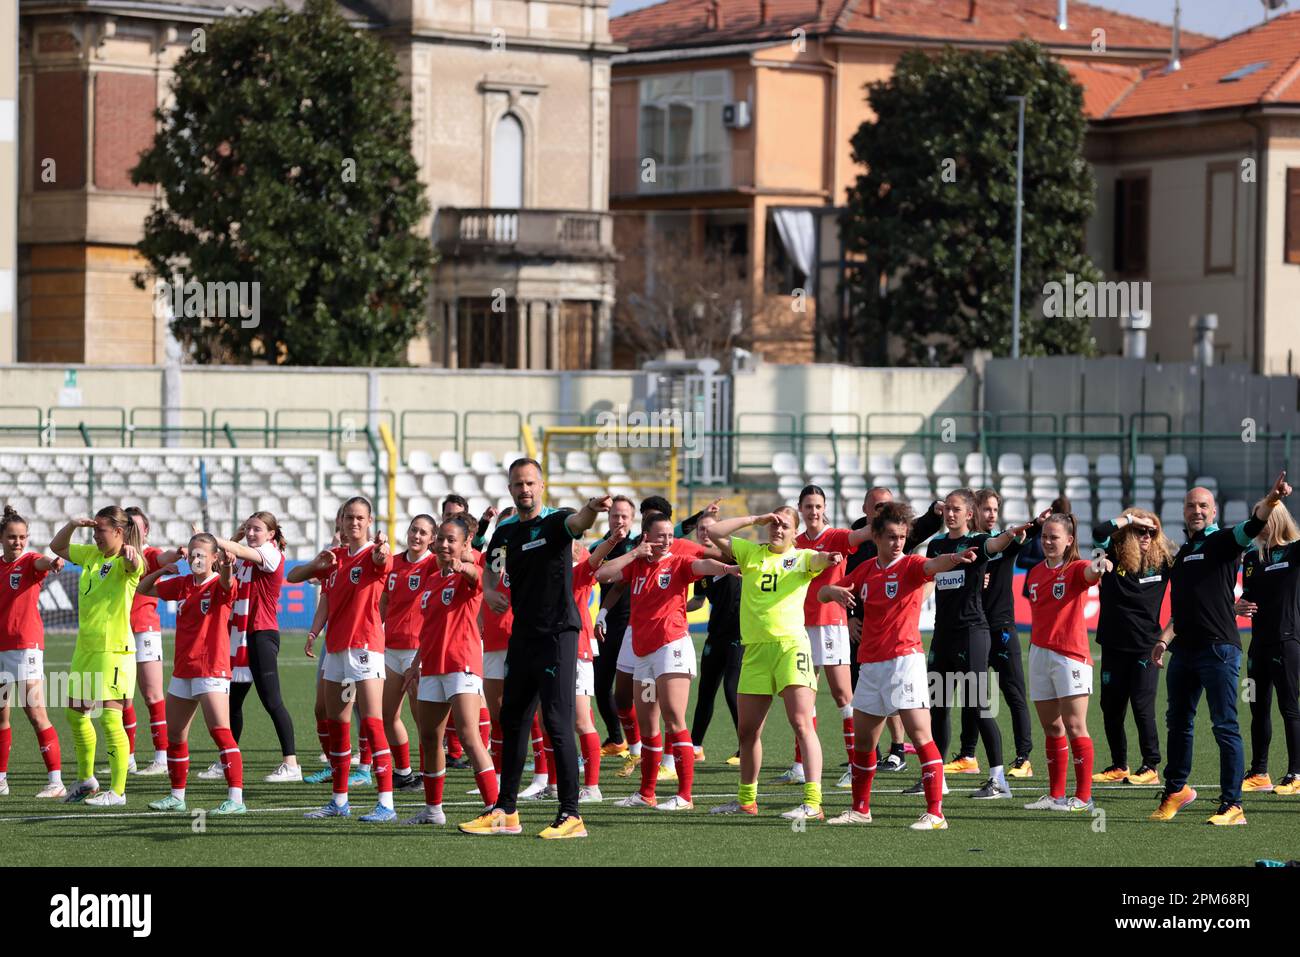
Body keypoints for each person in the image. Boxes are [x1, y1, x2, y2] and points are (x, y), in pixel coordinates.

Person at [459, 460, 609, 839]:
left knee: (557, 722)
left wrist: (592, 506)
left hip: (559, 634)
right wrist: (491, 590)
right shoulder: (506, 530)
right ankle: (506, 811)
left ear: (541, 485)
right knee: (511, 721)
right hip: (522, 636)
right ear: (510, 488)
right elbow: (492, 568)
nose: (523, 489)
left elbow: (579, 523)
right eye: (517, 484)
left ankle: (572, 815)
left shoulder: (556, 521)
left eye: (529, 483)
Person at [819, 501, 977, 829]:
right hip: (872, 665)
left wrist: (955, 558)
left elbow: (933, 565)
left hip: (905, 662)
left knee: (920, 735)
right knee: (864, 743)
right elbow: (821, 593)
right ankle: (861, 809)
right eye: (891, 536)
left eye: (902, 536)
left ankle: (936, 814)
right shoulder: (864, 571)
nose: (898, 542)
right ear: (876, 536)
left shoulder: (910, 565)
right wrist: (832, 590)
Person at [1150, 471, 1290, 826]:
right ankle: (1176, 790)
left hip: (1219, 651)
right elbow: (1183, 610)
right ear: (1183, 511)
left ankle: (1233, 805)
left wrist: (1271, 501)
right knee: (1178, 724)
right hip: (1184, 651)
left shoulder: (1224, 542)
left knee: (1225, 726)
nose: (1196, 511)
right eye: (1190, 505)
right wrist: (1165, 639)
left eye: (1203, 506)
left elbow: (1254, 522)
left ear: (1213, 513)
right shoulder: (1183, 553)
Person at [704, 509, 842, 821]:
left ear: (796, 532)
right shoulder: (751, 552)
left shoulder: (803, 557)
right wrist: (754, 519)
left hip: (791, 648)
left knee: (802, 723)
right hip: (755, 652)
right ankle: (746, 800)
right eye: (775, 524)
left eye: (785, 526)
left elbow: (819, 559)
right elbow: (714, 532)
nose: (778, 529)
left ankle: (813, 802)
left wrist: (829, 557)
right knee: (747, 731)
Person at [596, 513, 736, 811]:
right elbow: (602, 575)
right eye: (660, 536)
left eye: (669, 536)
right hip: (643, 652)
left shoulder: (678, 561)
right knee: (648, 724)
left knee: (673, 719)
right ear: (646, 536)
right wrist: (634, 552)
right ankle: (647, 793)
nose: (667, 541)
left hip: (671, 648)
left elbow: (702, 565)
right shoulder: (636, 563)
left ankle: (684, 796)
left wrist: (727, 567)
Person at [919, 489, 1033, 801]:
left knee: (977, 706)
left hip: (972, 633)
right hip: (942, 634)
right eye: (948, 509)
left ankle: (999, 780)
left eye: (957, 509)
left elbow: (995, 544)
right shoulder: (937, 545)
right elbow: (929, 578)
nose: (950, 514)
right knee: (938, 706)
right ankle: (936, 774)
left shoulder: (979, 541)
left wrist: (1010, 534)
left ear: (970, 514)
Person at [287, 496, 396, 822]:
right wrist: (313, 631)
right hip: (335, 649)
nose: (354, 522)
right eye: (349, 517)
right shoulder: (333, 558)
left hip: (364, 647)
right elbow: (297, 579)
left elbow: (383, 560)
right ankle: (339, 800)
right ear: (341, 522)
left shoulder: (374, 555)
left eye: (360, 517)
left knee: (374, 723)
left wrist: (382, 550)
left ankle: (386, 803)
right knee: (338, 724)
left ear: (369, 520)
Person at [400, 516, 497, 825]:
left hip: (461, 664)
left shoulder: (467, 574)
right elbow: (429, 628)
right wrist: (415, 664)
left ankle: (497, 811)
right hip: (431, 666)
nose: (443, 544)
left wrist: (463, 566)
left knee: (470, 737)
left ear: (465, 544)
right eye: (440, 538)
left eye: (451, 540)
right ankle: (433, 811)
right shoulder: (431, 579)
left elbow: (477, 577)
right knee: (429, 738)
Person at [774, 485, 871, 790]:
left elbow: (863, 535)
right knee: (804, 697)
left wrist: (882, 516)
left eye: (817, 506)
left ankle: (855, 766)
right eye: (808, 506)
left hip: (830, 626)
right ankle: (800, 765)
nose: (813, 511)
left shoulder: (838, 536)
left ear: (824, 508)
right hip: (799, 627)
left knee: (844, 696)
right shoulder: (796, 542)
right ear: (800, 509)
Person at [139, 534, 244, 814]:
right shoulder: (183, 584)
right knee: (175, 734)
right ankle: (177, 796)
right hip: (183, 670)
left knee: (220, 732)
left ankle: (236, 799)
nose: (196, 560)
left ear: (214, 558)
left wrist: (228, 567)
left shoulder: (220, 583)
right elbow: (143, 589)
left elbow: (228, 583)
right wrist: (162, 570)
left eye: (202, 555)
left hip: (211, 669)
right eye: (193, 555)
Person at [50, 507, 145, 806]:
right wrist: (72, 524)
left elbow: (134, 566)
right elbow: (57, 547)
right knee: (74, 714)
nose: (95, 536)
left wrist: (131, 556)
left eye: (100, 530)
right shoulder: (91, 555)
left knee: (110, 719)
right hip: (86, 649)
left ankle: (117, 792)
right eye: (94, 530)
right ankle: (86, 780)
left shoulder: (126, 560)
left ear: (118, 531)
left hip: (113, 651)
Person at [847, 487, 943, 772]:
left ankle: (899, 751)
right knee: (866, 711)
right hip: (866, 637)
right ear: (866, 510)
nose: (898, 541)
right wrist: (849, 613)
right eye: (878, 506)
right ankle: (861, 801)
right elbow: (843, 584)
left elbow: (927, 546)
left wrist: (935, 514)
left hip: (902, 650)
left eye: (888, 505)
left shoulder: (905, 551)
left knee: (919, 729)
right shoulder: (858, 541)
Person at [198, 513, 298, 783]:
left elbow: (238, 551)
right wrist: (233, 536)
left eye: (258, 529)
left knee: (272, 700)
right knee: (232, 702)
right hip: (242, 636)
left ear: (271, 535)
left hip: (261, 633)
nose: (252, 533)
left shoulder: (270, 553)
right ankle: (227, 758)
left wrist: (211, 538)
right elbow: (221, 562)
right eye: (249, 528)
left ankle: (291, 764)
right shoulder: (247, 555)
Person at [950, 492, 1043, 779]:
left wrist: (1038, 523)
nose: (991, 514)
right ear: (972, 511)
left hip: (1001, 628)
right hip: (973, 629)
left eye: (995, 509)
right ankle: (968, 754)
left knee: (1013, 694)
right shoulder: (965, 546)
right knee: (972, 693)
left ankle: (1023, 758)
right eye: (985, 509)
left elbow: (1026, 533)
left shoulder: (1005, 542)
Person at [1020, 514, 1110, 812]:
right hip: (1039, 653)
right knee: (1051, 727)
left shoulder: (1075, 569)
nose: (1047, 541)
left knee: (1074, 725)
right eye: (1044, 536)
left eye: (1054, 537)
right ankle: (1055, 795)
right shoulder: (1033, 573)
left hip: (1070, 656)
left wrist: (1101, 565)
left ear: (1069, 540)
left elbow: (1092, 573)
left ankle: (1084, 797)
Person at [1090, 508, 1173, 786]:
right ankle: (1119, 765)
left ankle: (1150, 765)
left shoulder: (1163, 562)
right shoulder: (1110, 555)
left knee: (1142, 706)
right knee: (1110, 707)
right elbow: (1099, 532)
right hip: (1113, 645)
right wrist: (1128, 520)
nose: (1147, 536)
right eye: (1141, 530)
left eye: (1152, 531)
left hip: (1145, 647)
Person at [0, 505, 66, 798]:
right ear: (2, 538)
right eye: (13, 537)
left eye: (22, 537)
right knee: (2, 715)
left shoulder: (29, 562)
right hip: (1, 648)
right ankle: (1, 779)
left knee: (35, 712)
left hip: (26, 647)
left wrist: (51, 562)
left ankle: (56, 780)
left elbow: (41, 562)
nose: (18, 542)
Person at [1236, 502, 1300, 795]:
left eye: (1263, 517)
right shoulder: (1251, 557)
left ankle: (1296, 773)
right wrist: (1238, 606)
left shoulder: (1296, 551)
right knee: (1257, 708)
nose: (1258, 522)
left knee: (1289, 709)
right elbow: (1247, 594)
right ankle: (1260, 772)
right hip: (1258, 644)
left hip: (1287, 641)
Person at [120, 507, 182, 777]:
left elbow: (164, 556)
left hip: (144, 629)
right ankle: (128, 757)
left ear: (146, 530)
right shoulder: (116, 554)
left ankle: (161, 757)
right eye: (128, 526)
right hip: (118, 631)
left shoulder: (149, 553)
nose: (133, 531)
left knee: (152, 695)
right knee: (122, 697)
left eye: (137, 526)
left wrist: (178, 553)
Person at [380, 514, 437, 792]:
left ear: (432, 539)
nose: (416, 536)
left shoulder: (433, 565)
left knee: (423, 721)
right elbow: (385, 601)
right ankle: (403, 771)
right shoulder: (394, 563)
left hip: (418, 652)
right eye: (414, 530)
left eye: (423, 533)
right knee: (387, 714)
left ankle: (429, 775)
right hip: (391, 649)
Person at [688, 515, 743, 765]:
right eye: (701, 529)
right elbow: (698, 601)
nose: (705, 532)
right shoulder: (701, 565)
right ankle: (695, 746)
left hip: (738, 634)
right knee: (705, 692)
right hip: (716, 634)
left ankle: (746, 746)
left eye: (710, 528)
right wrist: (674, 605)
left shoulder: (731, 554)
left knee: (732, 690)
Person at [592, 496, 636, 757]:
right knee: (600, 685)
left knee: (631, 691)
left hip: (632, 624)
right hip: (605, 624)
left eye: (624, 516)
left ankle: (638, 743)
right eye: (615, 516)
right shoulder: (600, 546)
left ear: (632, 519)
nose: (619, 520)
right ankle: (617, 737)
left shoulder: (640, 544)